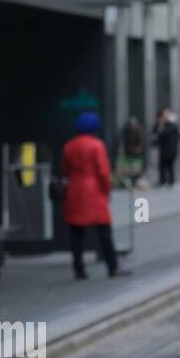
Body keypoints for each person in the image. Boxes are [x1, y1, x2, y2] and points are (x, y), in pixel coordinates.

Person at [61, 112, 130, 280]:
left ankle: (79, 269)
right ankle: (112, 266)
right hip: (94, 192)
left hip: (75, 190)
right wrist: (107, 191)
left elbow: (65, 170)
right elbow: (104, 172)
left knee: (76, 233)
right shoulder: (97, 145)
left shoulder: (69, 146)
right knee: (104, 232)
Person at [151, 107, 180, 187]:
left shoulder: (171, 126)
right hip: (165, 150)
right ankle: (165, 181)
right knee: (164, 166)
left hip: (169, 150)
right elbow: (155, 134)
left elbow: (162, 135)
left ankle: (168, 181)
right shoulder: (163, 125)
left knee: (169, 166)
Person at [116, 116, 147, 188]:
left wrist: (139, 148)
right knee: (129, 168)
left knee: (136, 168)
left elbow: (141, 142)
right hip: (129, 152)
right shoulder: (126, 131)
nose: (133, 126)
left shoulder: (139, 131)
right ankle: (130, 180)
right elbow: (123, 141)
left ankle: (135, 180)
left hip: (136, 153)